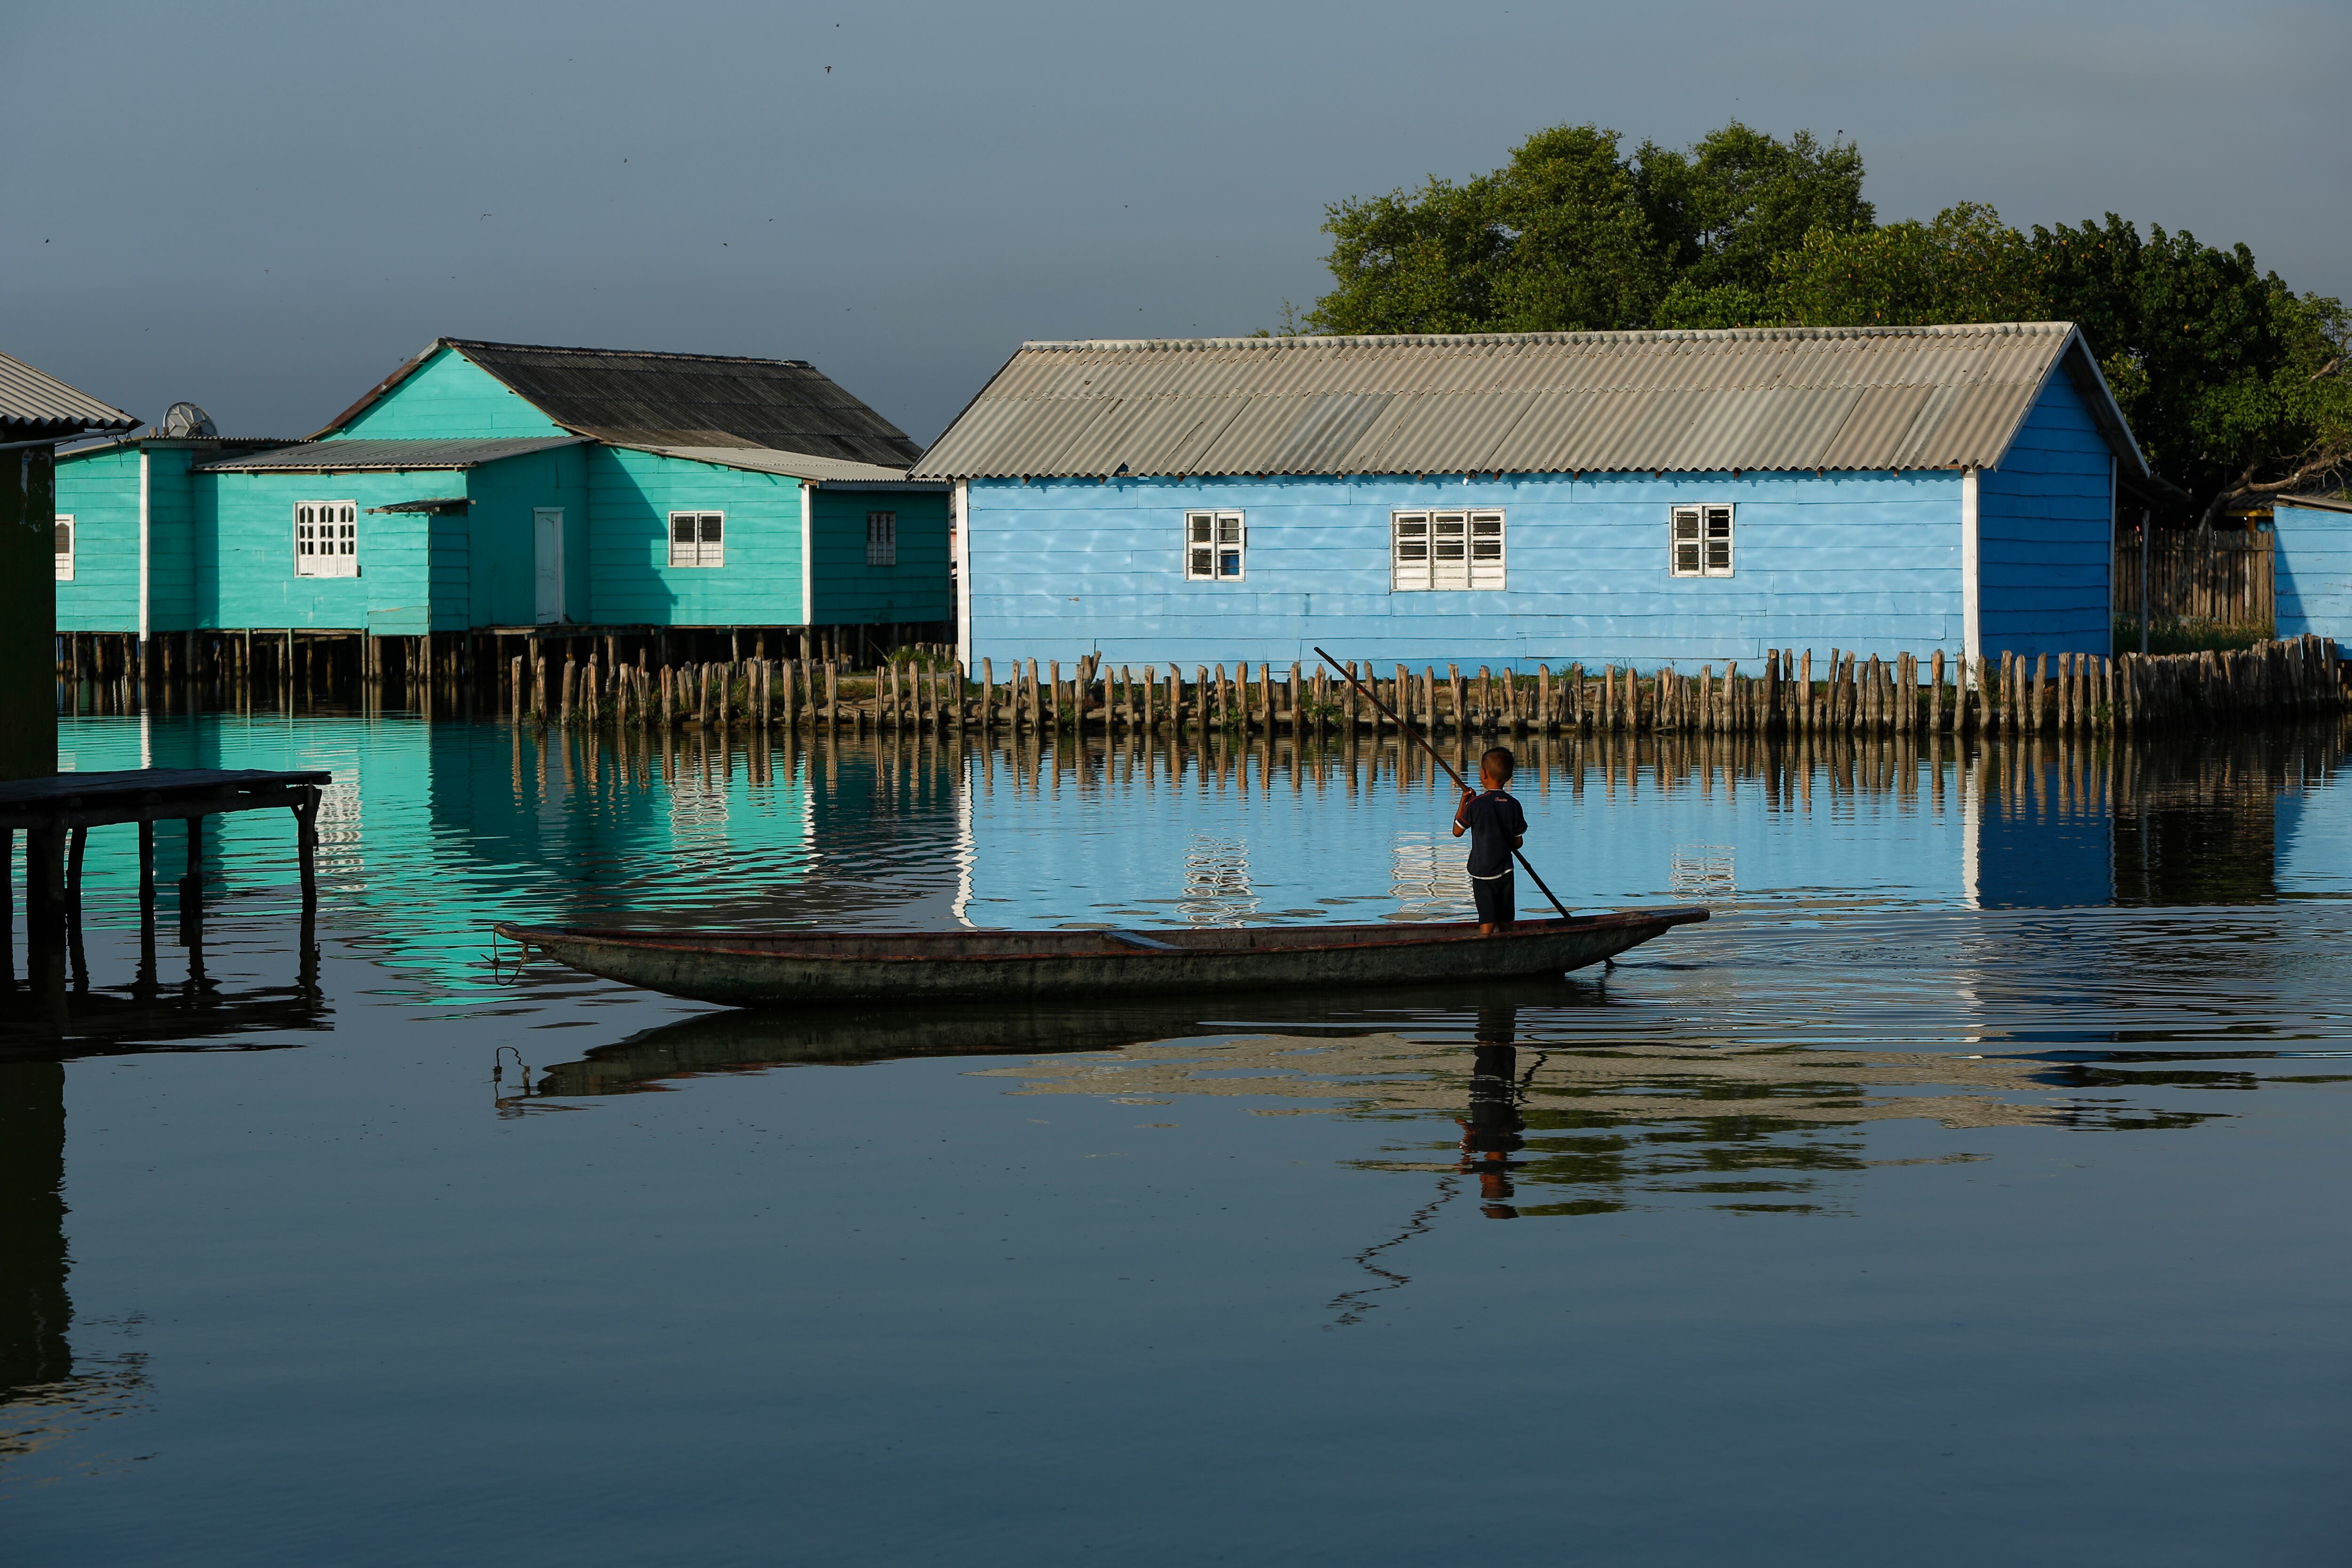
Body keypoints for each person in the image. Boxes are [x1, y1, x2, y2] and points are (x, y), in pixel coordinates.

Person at [1452, 746, 1527, 934]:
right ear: (1509, 776)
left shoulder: (1476, 804)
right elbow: (1518, 843)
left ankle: (1486, 948)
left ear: (1484, 774)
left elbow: (1457, 831)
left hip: (1482, 872)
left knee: (1487, 918)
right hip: (1506, 871)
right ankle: (1507, 947)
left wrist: (1464, 802)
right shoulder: (1514, 804)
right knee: (1505, 919)